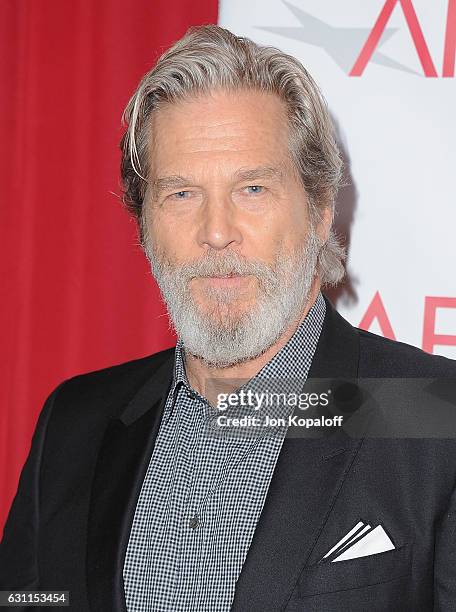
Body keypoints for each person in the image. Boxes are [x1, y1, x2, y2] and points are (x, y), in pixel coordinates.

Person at [1, 24, 456, 612]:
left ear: (320, 209)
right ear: (143, 225)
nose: (216, 233)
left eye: (253, 189)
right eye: (182, 194)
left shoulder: (436, 419)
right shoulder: (75, 422)